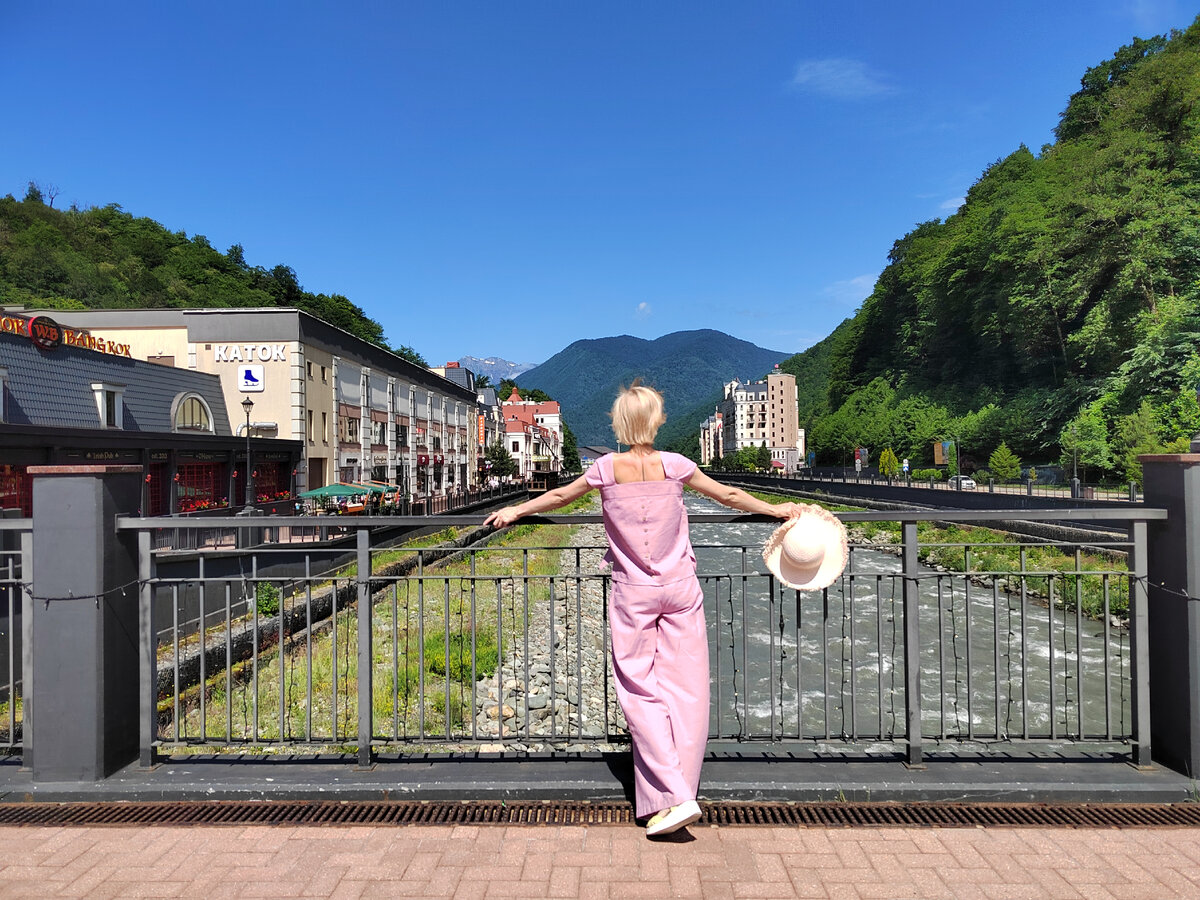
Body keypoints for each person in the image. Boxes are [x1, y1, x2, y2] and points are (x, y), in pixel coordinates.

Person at [484, 381, 818, 837]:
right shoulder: (676, 465)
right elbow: (730, 497)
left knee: (639, 690)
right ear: (657, 421)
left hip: (633, 593)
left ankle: (672, 796)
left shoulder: (605, 467)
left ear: (620, 424)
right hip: (680, 587)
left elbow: (560, 497)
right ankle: (682, 791)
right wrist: (777, 510)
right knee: (688, 688)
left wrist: (517, 511)